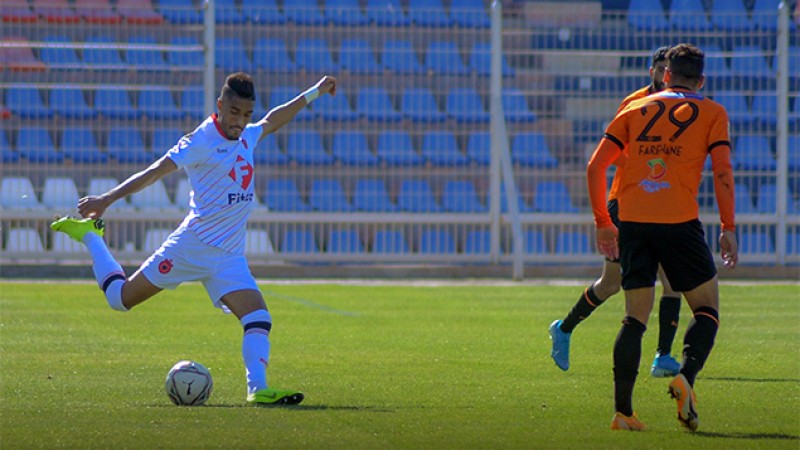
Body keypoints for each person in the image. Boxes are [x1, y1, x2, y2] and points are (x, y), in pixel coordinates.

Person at [50, 72, 338, 406]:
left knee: (259, 318)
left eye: (246, 114)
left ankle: (257, 389)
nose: (240, 121)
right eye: (234, 113)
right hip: (191, 247)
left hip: (229, 256)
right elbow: (155, 171)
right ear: (220, 106)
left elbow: (274, 118)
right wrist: (106, 200)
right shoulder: (200, 140)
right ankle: (91, 237)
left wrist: (315, 92)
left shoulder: (247, 135)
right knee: (120, 299)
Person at [586, 43, 738, 431]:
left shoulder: (633, 109)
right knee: (706, 308)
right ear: (700, 80)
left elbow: (595, 166)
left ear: (665, 76)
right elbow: (722, 173)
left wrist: (604, 220)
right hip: (680, 222)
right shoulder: (713, 113)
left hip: (632, 221)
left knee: (634, 316)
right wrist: (727, 227)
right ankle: (685, 377)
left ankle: (623, 413)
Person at [549, 46, 683, 378]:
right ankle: (564, 328)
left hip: (660, 204)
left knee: (672, 279)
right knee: (611, 283)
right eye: (660, 68)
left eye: (671, 69)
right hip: (626, 202)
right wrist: (652, 165)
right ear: (651, 71)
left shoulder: (682, 108)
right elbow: (614, 153)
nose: (665, 74)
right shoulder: (635, 104)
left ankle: (663, 355)